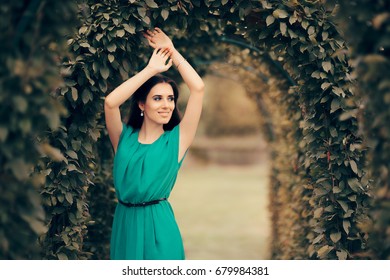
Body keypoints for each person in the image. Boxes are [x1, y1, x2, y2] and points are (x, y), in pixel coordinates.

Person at [104, 27, 204, 260]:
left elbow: (198, 88)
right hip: (125, 226)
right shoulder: (123, 138)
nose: (166, 105)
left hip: (160, 228)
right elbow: (110, 103)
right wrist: (150, 70)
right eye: (157, 98)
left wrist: (171, 51)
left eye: (170, 99)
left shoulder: (177, 140)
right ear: (142, 104)